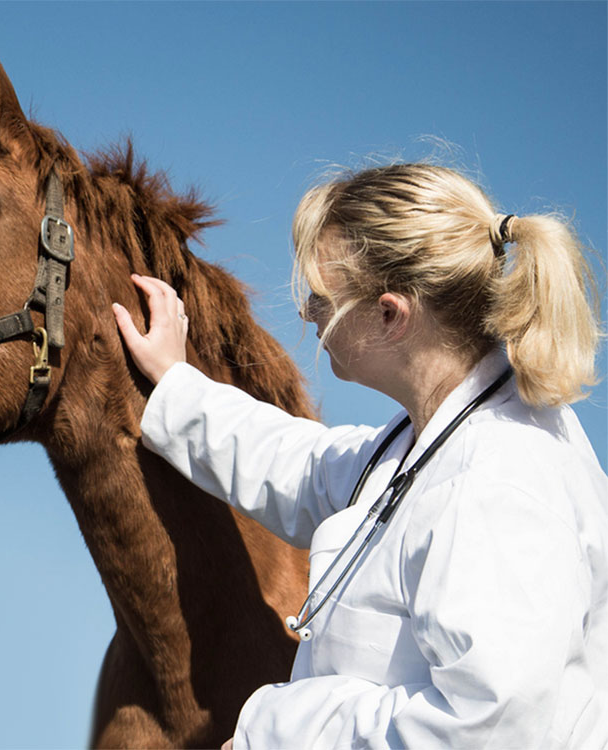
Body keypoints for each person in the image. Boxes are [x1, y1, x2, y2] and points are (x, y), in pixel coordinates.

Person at [112, 163, 606, 748]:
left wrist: (279, 734)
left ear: (391, 316)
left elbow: (487, 729)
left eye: (320, 298)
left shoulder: (495, 480)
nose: (306, 314)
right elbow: (304, 465)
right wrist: (176, 383)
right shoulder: (433, 440)